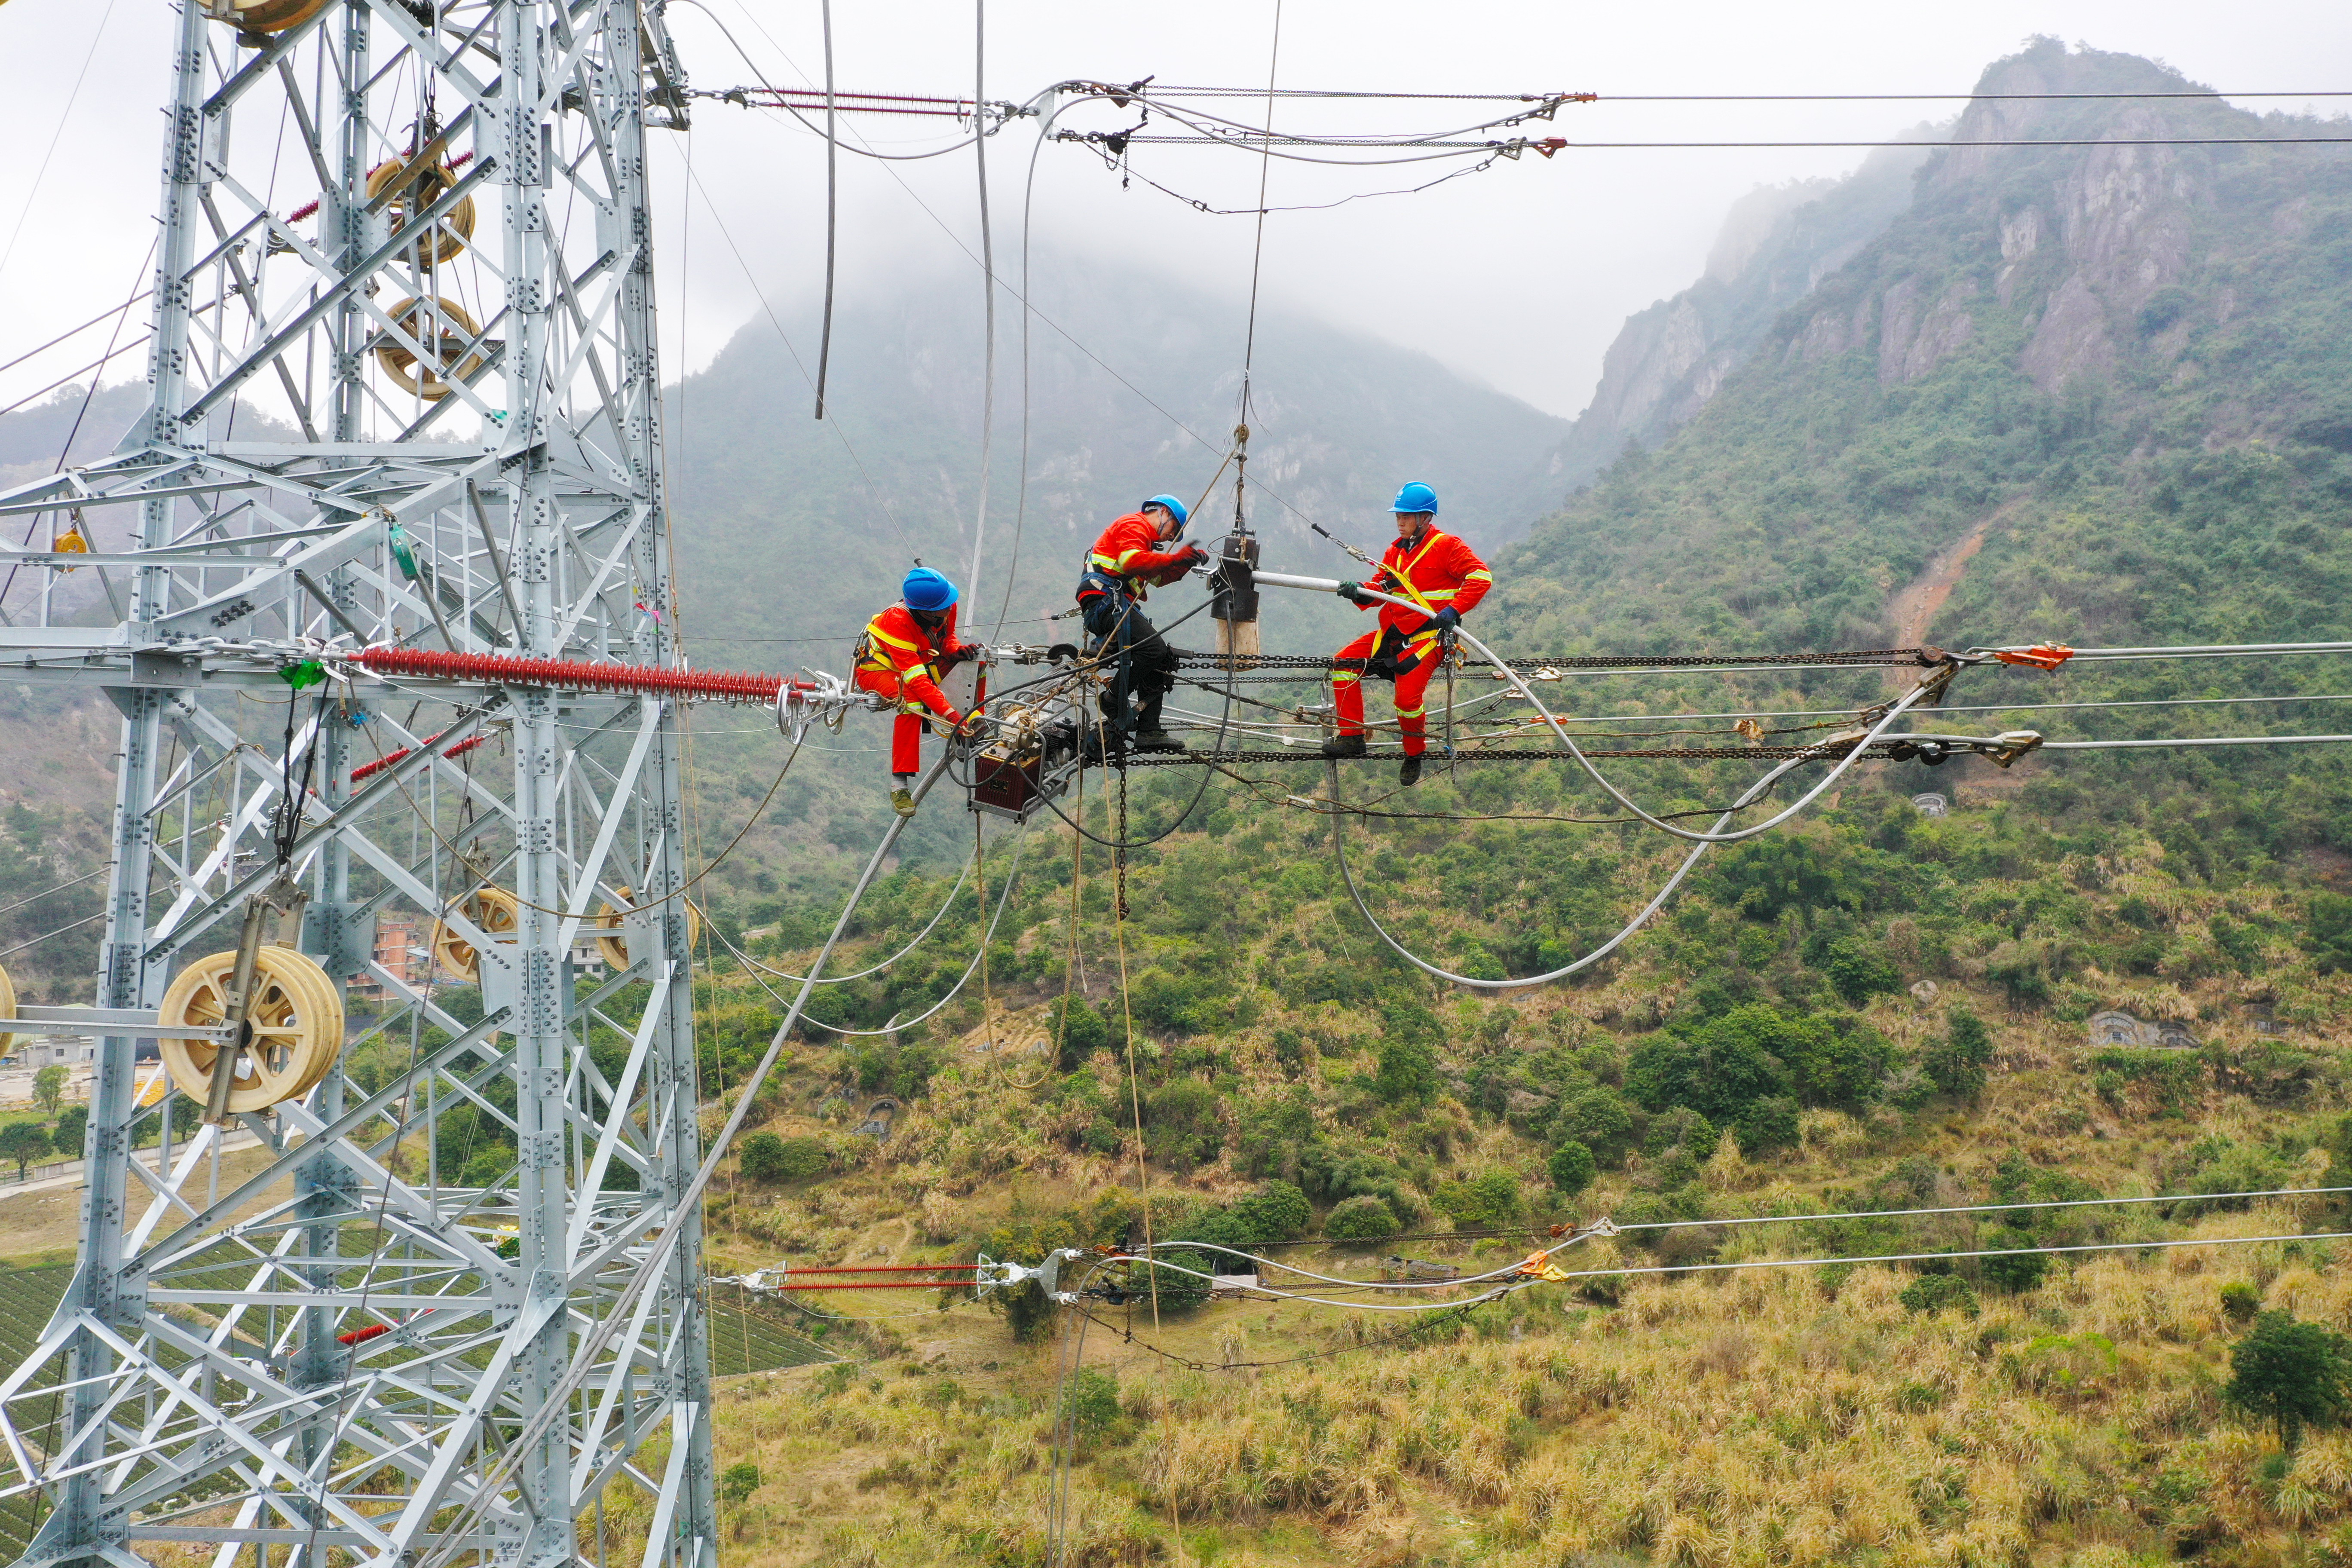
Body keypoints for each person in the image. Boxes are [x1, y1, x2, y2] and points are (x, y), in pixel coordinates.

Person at [1322, 482, 1492, 787]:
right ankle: (1352, 736)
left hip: (1428, 637)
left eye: (1407, 516)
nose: (1400, 522)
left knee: (1407, 700)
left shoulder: (1448, 546)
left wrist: (1453, 610)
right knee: (1343, 664)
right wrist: (1357, 592)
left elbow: (1481, 576)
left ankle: (1414, 753)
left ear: (1425, 518)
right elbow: (1380, 591)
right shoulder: (1395, 552)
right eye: (1399, 516)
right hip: (1392, 632)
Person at [1075, 493, 1207, 752]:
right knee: (1154, 650)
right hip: (1105, 605)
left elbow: (1156, 579)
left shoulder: (1143, 546)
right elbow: (1131, 561)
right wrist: (1175, 557)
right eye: (1174, 530)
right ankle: (1113, 699)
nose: (1172, 537)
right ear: (1164, 514)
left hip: (1114, 607)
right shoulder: (1132, 525)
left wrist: (1184, 564)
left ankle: (1149, 730)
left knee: (1162, 658)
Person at [854, 566, 981, 817]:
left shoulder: (946, 604)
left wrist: (956, 651)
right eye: (943, 607)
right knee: (912, 700)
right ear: (924, 610)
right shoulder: (897, 622)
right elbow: (917, 682)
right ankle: (899, 783)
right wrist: (951, 716)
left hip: (921, 663)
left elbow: (947, 638)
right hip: (877, 670)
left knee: (977, 663)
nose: (950, 608)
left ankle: (974, 721)